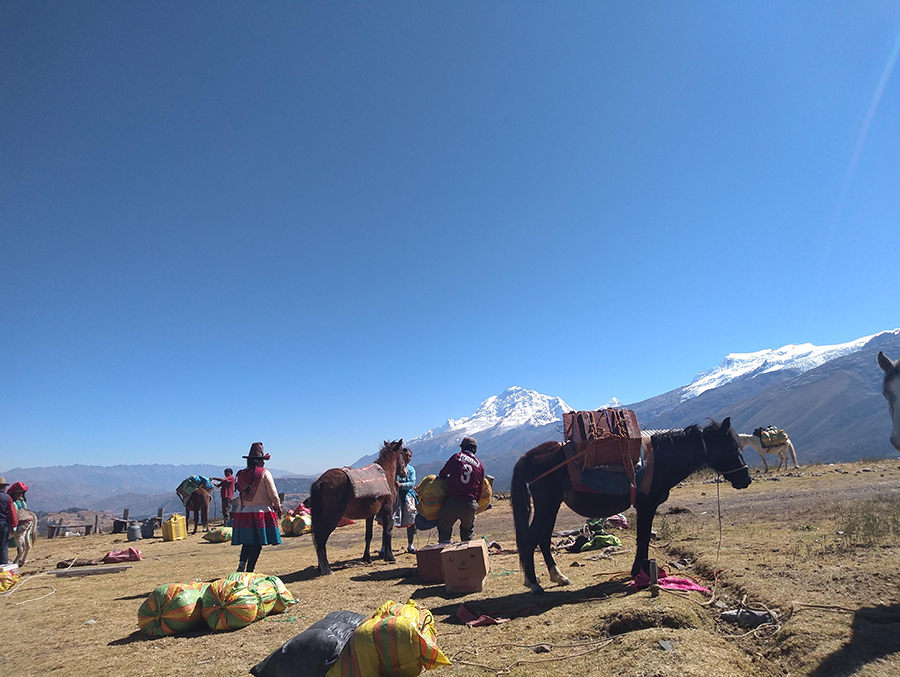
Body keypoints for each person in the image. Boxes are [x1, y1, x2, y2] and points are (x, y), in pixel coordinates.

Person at [232, 443, 282, 573]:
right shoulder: (264, 473)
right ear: (259, 461)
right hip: (261, 512)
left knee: (247, 541)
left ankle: (241, 565)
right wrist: (277, 505)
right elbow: (272, 493)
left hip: (244, 512)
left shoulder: (241, 474)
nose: (264, 464)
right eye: (262, 461)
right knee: (257, 543)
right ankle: (250, 570)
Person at [437, 437, 484, 543]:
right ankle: (467, 554)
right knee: (467, 531)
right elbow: (480, 489)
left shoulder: (456, 457)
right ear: (475, 449)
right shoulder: (480, 466)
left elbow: (442, 474)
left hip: (452, 503)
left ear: (463, 447)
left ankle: (445, 553)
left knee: (444, 529)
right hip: (470, 504)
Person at [380, 448, 418, 556]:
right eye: (405, 455)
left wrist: (401, 485)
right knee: (388, 523)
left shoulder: (411, 470)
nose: (407, 458)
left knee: (411, 522)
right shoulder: (393, 469)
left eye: (409, 456)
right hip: (393, 499)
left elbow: (412, 483)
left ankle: (411, 545)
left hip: (407, 498)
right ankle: (384, 547)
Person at [0, 477, 19, 566]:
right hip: (3, 524)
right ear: (4, 487)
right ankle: (3, 567)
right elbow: (12, 512)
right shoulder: (7, 498)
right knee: (3, 546)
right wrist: (14, 525)